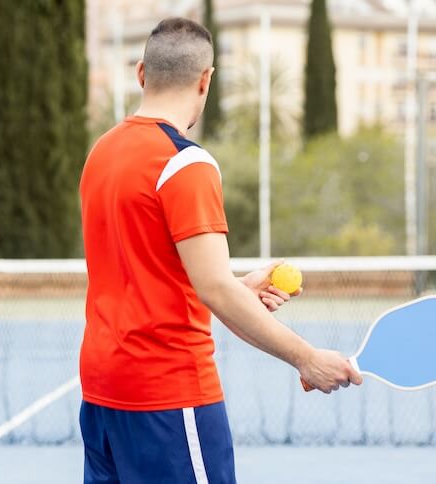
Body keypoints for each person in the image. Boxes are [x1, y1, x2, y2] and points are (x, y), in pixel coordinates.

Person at [78, 18, 362, 484]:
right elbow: (214, 288)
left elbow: (146, 270)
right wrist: (306, 358)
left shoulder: (102, 154)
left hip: (102, 392)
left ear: (142, 73)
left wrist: (239, 287)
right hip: (170, 397)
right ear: (205, 80)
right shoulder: (185, 162)